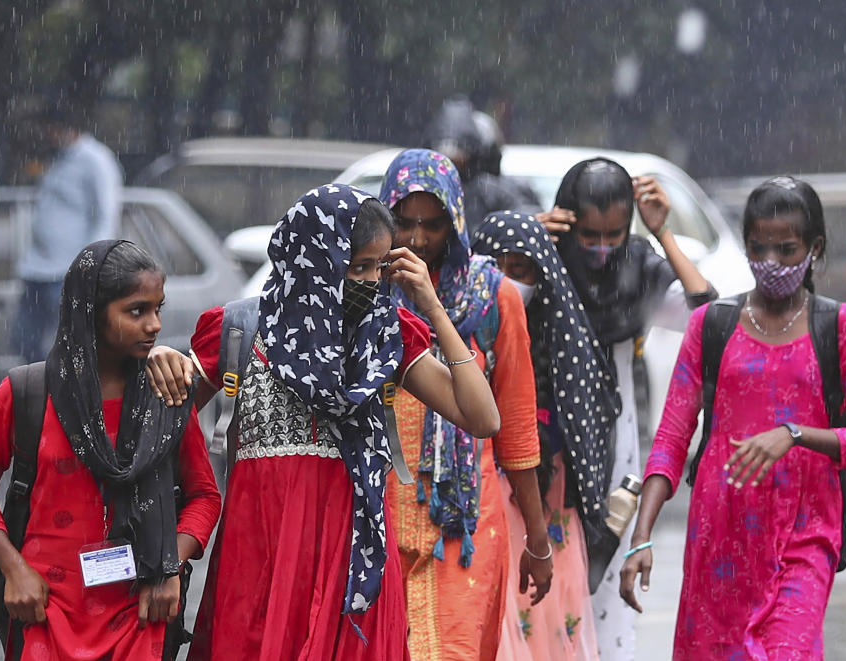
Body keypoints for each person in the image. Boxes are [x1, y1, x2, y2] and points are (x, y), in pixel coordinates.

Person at [146, 184, 501, 659]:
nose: (369, 282)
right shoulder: (240, 331)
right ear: (314, 260)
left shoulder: (384, 336)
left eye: (378, 267)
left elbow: (481, 417)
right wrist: (161, 361)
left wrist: (432, 307)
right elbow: (158, 426)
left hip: (353, 558)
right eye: (356, 267)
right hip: (261, 556)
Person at [619, 176, 846, 659]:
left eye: (786, 249)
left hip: (804, 540)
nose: (772, 263)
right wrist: (640, 538)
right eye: (758, 248)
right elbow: (670, 439)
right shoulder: (712, 325)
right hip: (718, 542)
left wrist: (795, 435)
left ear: (815, 248)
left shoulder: (840, 326)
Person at [0, 240, 221, 660]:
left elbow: (204, 496)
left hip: (139, 610)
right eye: (137, 311)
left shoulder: (164, 393)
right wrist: (14, 569)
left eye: (159, 309)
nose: (154, 325)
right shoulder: (28, 392)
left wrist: (171, 566)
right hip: (45, 608)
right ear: (91, 314)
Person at [538, 157, 717, 661]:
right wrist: (530, 249)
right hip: (546, 445)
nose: (600, 250)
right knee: (546, 578)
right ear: (567, 218)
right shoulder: (546, 263)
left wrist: (662, 236)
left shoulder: (640, 266)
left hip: (619, 445)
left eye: (613, 236)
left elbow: (706, 315)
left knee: (606, 574)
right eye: (589, 235)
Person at [379, 149, 552, 661]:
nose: (416, 240)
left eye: (432, 225)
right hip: (377, 518)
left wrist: (538, 544)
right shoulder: (363, 294)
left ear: (454, 222)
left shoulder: (493, 297)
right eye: (403, 223)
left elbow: (516, 429)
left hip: (463, 526)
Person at [473, 211, 621, 661]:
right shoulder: (460, 326)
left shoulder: (563, 338)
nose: (508, 280)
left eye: (522, 271)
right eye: (496, 266)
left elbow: (586, 418)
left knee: (549, 625)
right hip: (483, 489)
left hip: (548, 499)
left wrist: (536, 436)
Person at [14, 97, 123, 363]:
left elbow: (106, 213)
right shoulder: (59, 159)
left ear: (61, 127)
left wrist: (90, 267)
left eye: (48, 129)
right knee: (23, 339)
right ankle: (41, 393)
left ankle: (61, 398)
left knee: (66, 345)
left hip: (65, 271)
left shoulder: (95, 159)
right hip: (37, 269)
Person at [425, 96, 540, 234]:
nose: (449, 165)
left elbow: (524, 214)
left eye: (457, 155)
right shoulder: (422, 190)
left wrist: (528, 224)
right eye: (443, 156)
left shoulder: (489, 189)